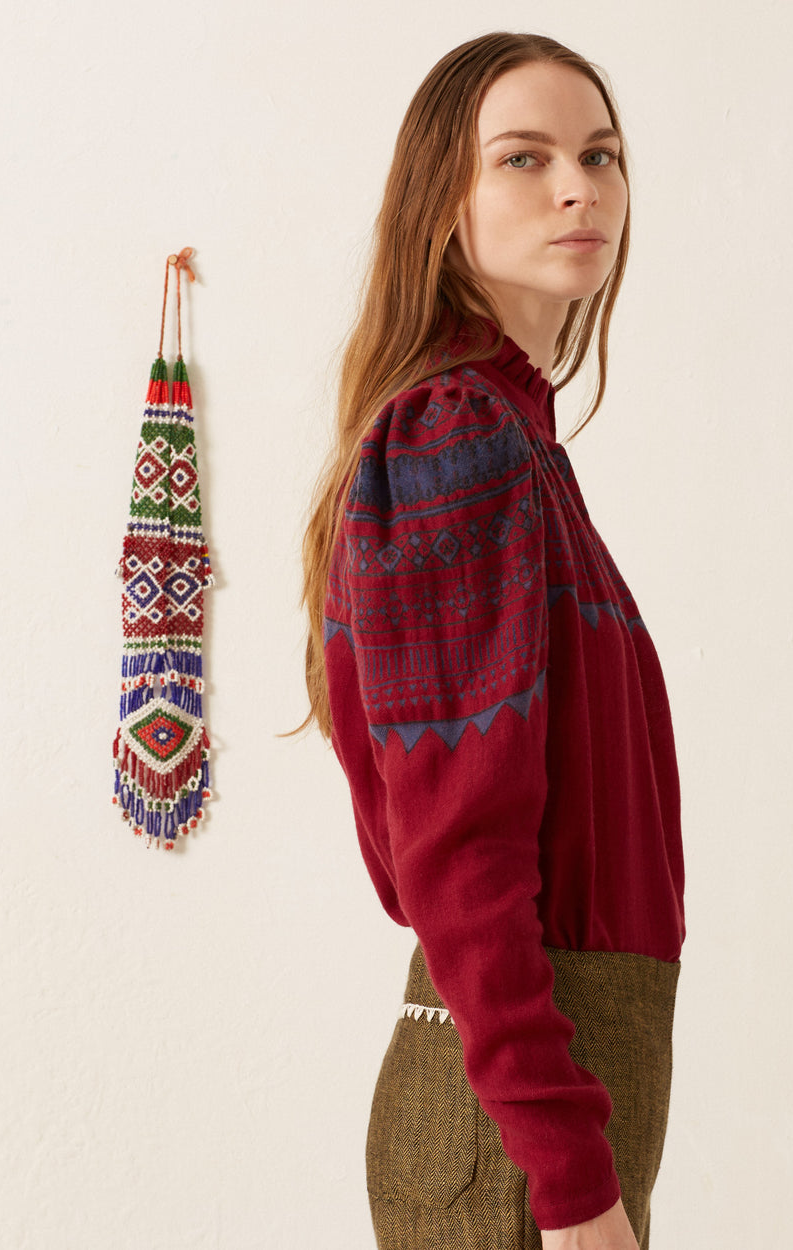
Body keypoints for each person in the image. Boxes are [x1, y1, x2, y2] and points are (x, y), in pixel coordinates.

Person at [300, 31, 686, 1250]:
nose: (579, 187)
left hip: (543, 1088)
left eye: (600, 154)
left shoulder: (513, 439)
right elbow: (455, 848)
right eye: (523, 158)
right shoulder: (457, 435)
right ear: (443, 205)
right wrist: (571, 1181)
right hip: (517, 1118)